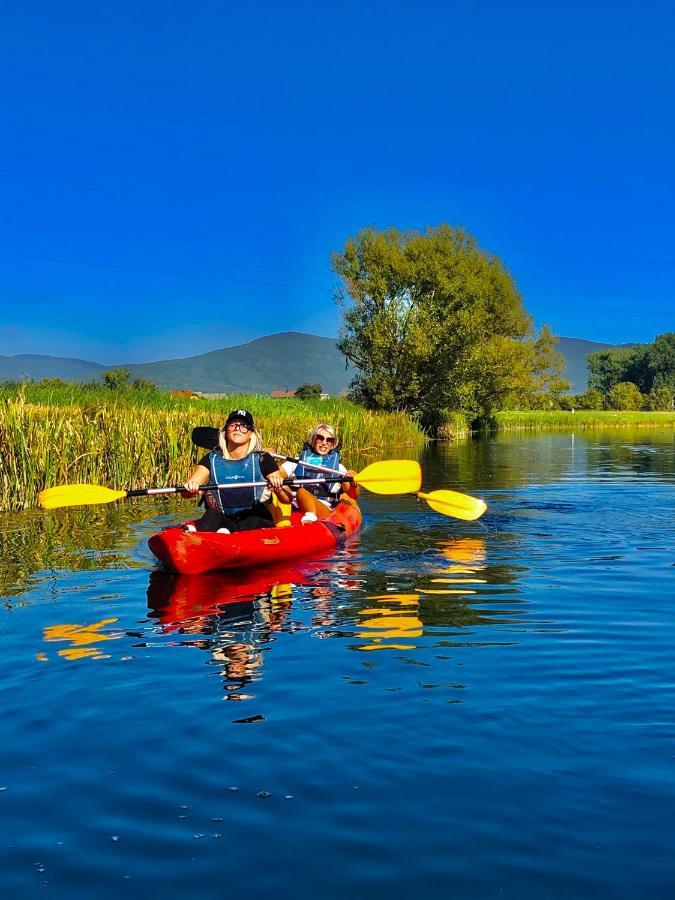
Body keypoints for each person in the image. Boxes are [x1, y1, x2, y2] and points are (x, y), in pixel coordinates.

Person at [183, 409, 292, 533]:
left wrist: (279, 489)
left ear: (251, 433)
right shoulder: (211, 459)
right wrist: (191, 487)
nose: (238, 428)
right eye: (233, 424)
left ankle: (227, 535)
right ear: (226, 431)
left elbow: (287, 499)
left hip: (255, 518)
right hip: (224, 518)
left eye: (244, 426)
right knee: (210, 515)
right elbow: (186, 493)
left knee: (252, 520)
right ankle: (212, 538)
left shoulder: (263, 459)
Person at [282, 423, 359, 523]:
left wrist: (353, 483)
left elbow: (353, 495)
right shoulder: (297, 462)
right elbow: (277, 474)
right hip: (295, 506)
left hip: (323, 509)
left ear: (333, 445)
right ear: (313, 440)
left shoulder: (339, 468)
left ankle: (310, 517)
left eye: (329, 440)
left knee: (302, 491)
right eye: (320, 438)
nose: (324, 443)